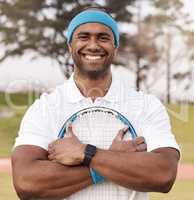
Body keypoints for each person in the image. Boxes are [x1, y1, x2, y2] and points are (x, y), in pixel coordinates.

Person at [12, 6, 180, 200]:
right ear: (69, 46)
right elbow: (26, 182)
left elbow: (164, 175)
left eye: (103, 38)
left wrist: (86, 153)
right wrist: (112, 159)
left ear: (115, 47)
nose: (93, 45)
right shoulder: (44, 108)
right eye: (84, 37)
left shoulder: (147, 106)